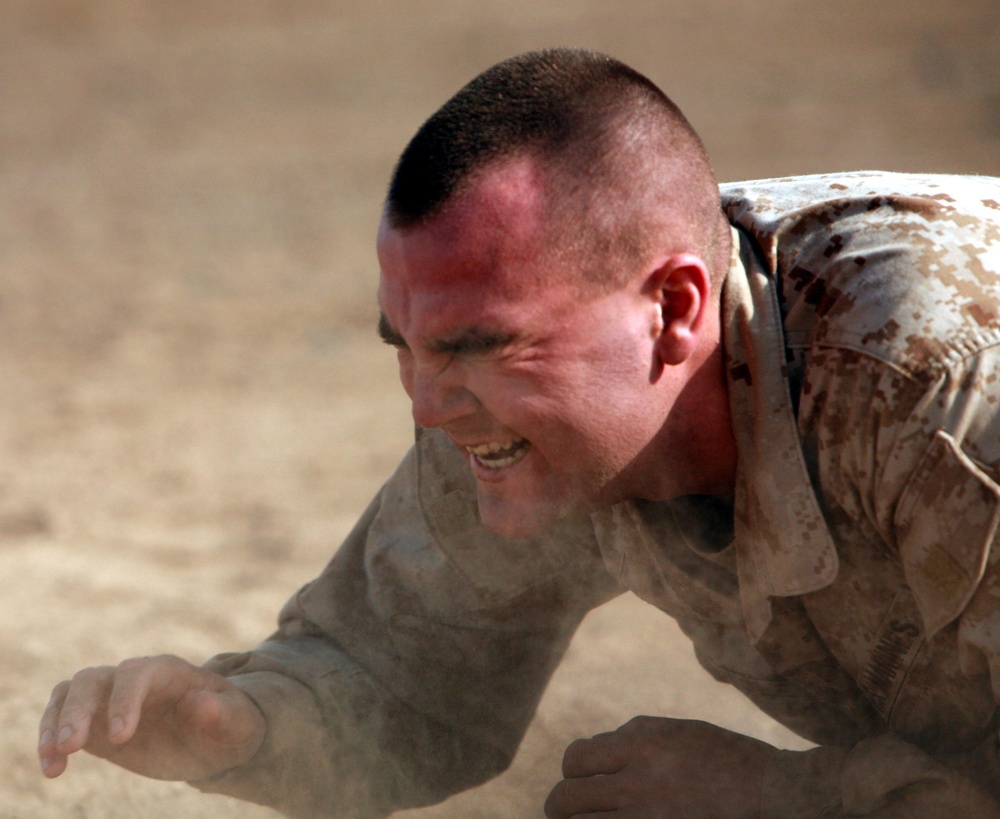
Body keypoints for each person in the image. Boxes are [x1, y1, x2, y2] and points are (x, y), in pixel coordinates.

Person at [38, 48, 1000, 817]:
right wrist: (240, 724)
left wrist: (790, 797)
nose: (425, 402)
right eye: (405, 346)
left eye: (476, 345)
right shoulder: (531, 418)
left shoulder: (936, 390)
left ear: (671, 310)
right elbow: (404, 681)